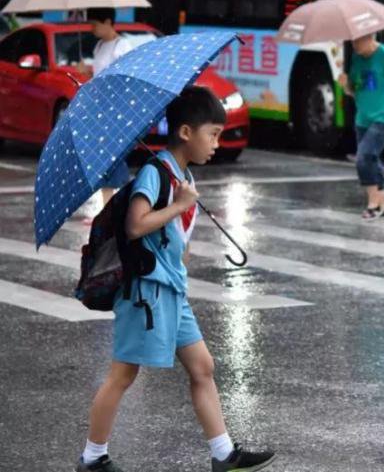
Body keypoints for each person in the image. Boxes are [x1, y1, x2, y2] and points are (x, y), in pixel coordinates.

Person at [76, 86, 275, 472]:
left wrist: (185, 217)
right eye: (212, 134)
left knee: (202, 366)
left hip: (171, 291)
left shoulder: (180, 175)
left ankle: (223, 454)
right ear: (186, 132)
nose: (217, 143)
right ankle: (92, 457)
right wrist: (181, 206)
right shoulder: (156, 172)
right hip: (146, 292)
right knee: (123, 374)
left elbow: (172, 240)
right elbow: (136, 225)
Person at [338, 33, 384, 219]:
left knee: (364, 157)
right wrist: (345, 86)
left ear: (370, 37)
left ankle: (373, 204)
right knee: (372, 159)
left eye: (358, 41)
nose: (355, 45)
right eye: (352, 41)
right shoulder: (356, 58)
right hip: (362, 118)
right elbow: (355, 90)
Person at [89, 8, 135, 208]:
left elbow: (127, 79)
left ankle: (123, 201)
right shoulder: (99, 46)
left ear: (108, 22)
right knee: (103, 158)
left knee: (113, 157)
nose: (92, 28)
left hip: (116, 111)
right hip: (99, 110)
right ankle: (107, 205)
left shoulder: (122, 46)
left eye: (95, 24)